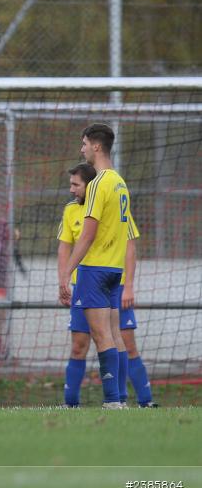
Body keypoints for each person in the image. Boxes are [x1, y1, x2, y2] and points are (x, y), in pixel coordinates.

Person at [58, 163, 155, 407]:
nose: (71, 189)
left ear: (89, 186)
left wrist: (129, 285)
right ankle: (72, 403)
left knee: (117, 338)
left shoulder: (108, 202)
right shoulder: (71, 210)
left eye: (75, 184)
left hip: (107, 279)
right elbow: (64, 245)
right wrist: (64, 278)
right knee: (80, 344)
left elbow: (130, 245)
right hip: (85, 283)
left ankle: (132, 400)